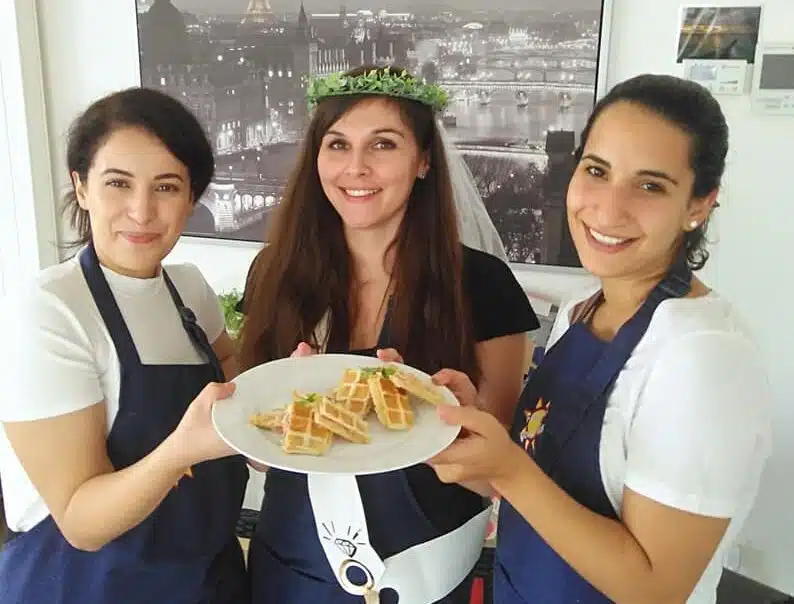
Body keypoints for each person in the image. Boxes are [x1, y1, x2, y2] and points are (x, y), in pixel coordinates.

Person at [427, 74, 772, 604]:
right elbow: (540, 484)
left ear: (699, 205)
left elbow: (656, 589)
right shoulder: (581, 309)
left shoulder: (703, 356)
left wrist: (510, 471)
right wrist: (467, 431)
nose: (608, 210)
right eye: (596, 170)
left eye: (651, 186)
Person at [237, 65, 539, 603]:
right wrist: (287, 415)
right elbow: (257, 453)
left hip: (423, 569)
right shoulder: (273, 275)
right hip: (292, 565)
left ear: (424, 160)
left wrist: (455, 427)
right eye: (337, 144)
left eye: (383, 144)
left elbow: (497, 479)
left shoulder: (482, 285)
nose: (356, 167)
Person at [0, 88, 250, 603]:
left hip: (207, 580)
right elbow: (80, 522)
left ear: (192, 198)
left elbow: (231, 379)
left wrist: (276, 396)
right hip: (88, 585)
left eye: (166, 187)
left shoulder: (190, 290)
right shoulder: (51, 310)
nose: (141, 211)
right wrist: (182, 450)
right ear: (81, 186)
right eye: (118, 183)